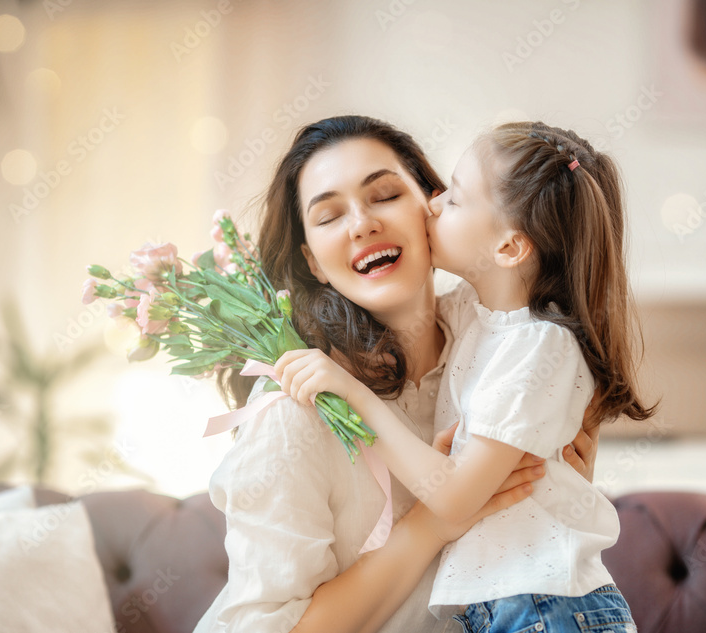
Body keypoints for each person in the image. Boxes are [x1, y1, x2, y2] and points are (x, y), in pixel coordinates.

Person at [194, 116, 599, 633]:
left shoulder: (510, 350)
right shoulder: (294, 411)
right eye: (329, 216)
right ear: (313, 263)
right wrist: (432, 524)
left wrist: (560, 484)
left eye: (384, 194)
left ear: (433, 206)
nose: (362, 224)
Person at [276, 121, 656, 632]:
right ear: (311, 261)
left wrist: (355, 396)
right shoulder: (475, 320)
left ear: (508, 248)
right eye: (329, 215)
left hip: (543, 609)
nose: (433, 206)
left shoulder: (536, 343)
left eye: (450, 199)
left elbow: (456, 495)